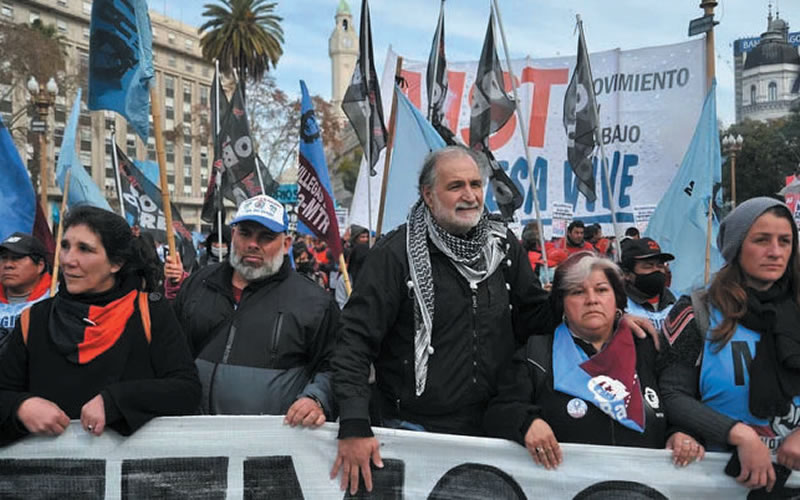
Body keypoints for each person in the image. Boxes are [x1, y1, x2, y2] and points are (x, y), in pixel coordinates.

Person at [0, 206, 200, 444]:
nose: (68, 260)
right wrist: (21, 407)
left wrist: (116, 400)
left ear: (116, 263)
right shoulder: (34, 319)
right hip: (47, 477)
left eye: (85, 249)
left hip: (128, 478)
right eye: (65, 246)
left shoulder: (150, 312)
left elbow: (186, 390)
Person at [484, 252, 703, 469]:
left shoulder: (648, 346)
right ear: (562, 304)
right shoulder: (536, 354)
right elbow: (500, 410)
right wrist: (527, 423)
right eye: (578, 292)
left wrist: (680, 433)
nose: (591, 300)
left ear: (617, 299)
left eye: (601, 290)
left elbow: (680, 402)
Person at [660, 197, 800, 493]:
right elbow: (672, 393)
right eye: (761, 240)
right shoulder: (696, 310)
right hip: (720, 482)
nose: (775, 252)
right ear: (736, 247)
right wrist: (740, 435)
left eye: (785, 241)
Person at [173, 194, 339, 426]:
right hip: (193, 438)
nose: (253, 244)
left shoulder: (314, 302)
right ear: (233, 235)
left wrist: (316, 399)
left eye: (266, 237)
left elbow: (334, 365)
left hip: (270, 447)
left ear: (286, 244)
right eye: (245, 233)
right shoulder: (198, 284)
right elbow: (170, 350)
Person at [0, 233, 52, 348]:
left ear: (40, 265)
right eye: (4, 258)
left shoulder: (57, 298)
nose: (8, 265)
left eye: (17, 258)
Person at [620, 237, 677, 332]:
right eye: (648, 266)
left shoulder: (678, 301)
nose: (656, 270)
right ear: (627, 274)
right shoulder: (619, 306)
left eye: (660, 265)